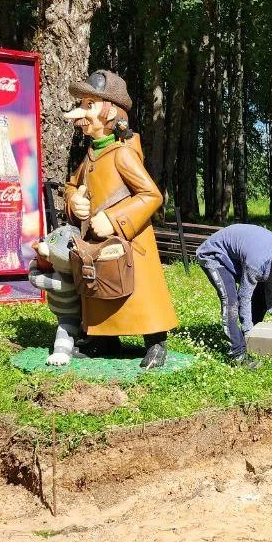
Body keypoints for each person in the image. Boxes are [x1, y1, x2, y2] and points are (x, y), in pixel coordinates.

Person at [62, 69, 178, 368]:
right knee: (101, 285)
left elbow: (151, 195)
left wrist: (114, 219)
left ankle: (155, 343)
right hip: (100, 242)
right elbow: (74, 186)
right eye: (84, 104)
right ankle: (103, 338)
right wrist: (74, 200)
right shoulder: (93, 154)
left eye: (90, 105)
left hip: (130, 239)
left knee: (139, 290)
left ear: (110, 111)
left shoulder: (122, 154)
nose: (83, 111)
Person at [196, 224, 272, 367]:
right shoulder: (259, 260)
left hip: (236, 258)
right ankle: (238, 354)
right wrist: (248, 330)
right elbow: (244, 296)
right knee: (231, 302)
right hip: (215, 255)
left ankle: (251, 340)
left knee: (262, 293)